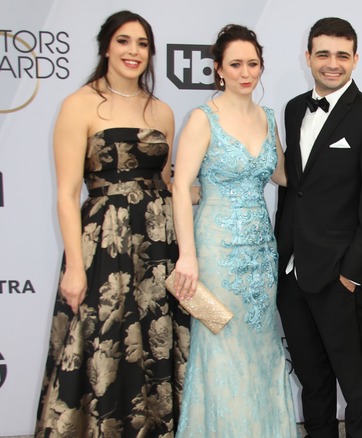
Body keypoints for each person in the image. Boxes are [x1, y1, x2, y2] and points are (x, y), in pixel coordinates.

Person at [35, 10, 189, 437]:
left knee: (153, 341)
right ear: (106, 46)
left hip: (158, 244)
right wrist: (73, 265)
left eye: (142, 44)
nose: (133, 52)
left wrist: (192, 191)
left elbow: (164, 182)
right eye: (124, 41)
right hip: (105, 240)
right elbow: (67, 194)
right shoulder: (79, 104)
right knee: (102, 338)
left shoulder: (162, 111)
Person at [275, 17, 362, 438]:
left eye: (342, 55)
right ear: (308, 57)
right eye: (323, 54)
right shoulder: (294, 109)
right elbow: (298, 189)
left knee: (356, 382)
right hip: (292, 270)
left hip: (339, 274)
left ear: (356, 59)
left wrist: (353, 273)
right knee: (312, 377)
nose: (332, 64)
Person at [171, 24, 297, 437]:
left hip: (261, 252)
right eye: (236, 64)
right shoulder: (202, 119)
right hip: (215, 251)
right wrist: (188, 256)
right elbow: (180, 186)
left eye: (253, 63)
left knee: (260, 348)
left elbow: (282, 175)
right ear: (218, 69)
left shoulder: (269, 117)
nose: (247, 73)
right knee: (221, 345)